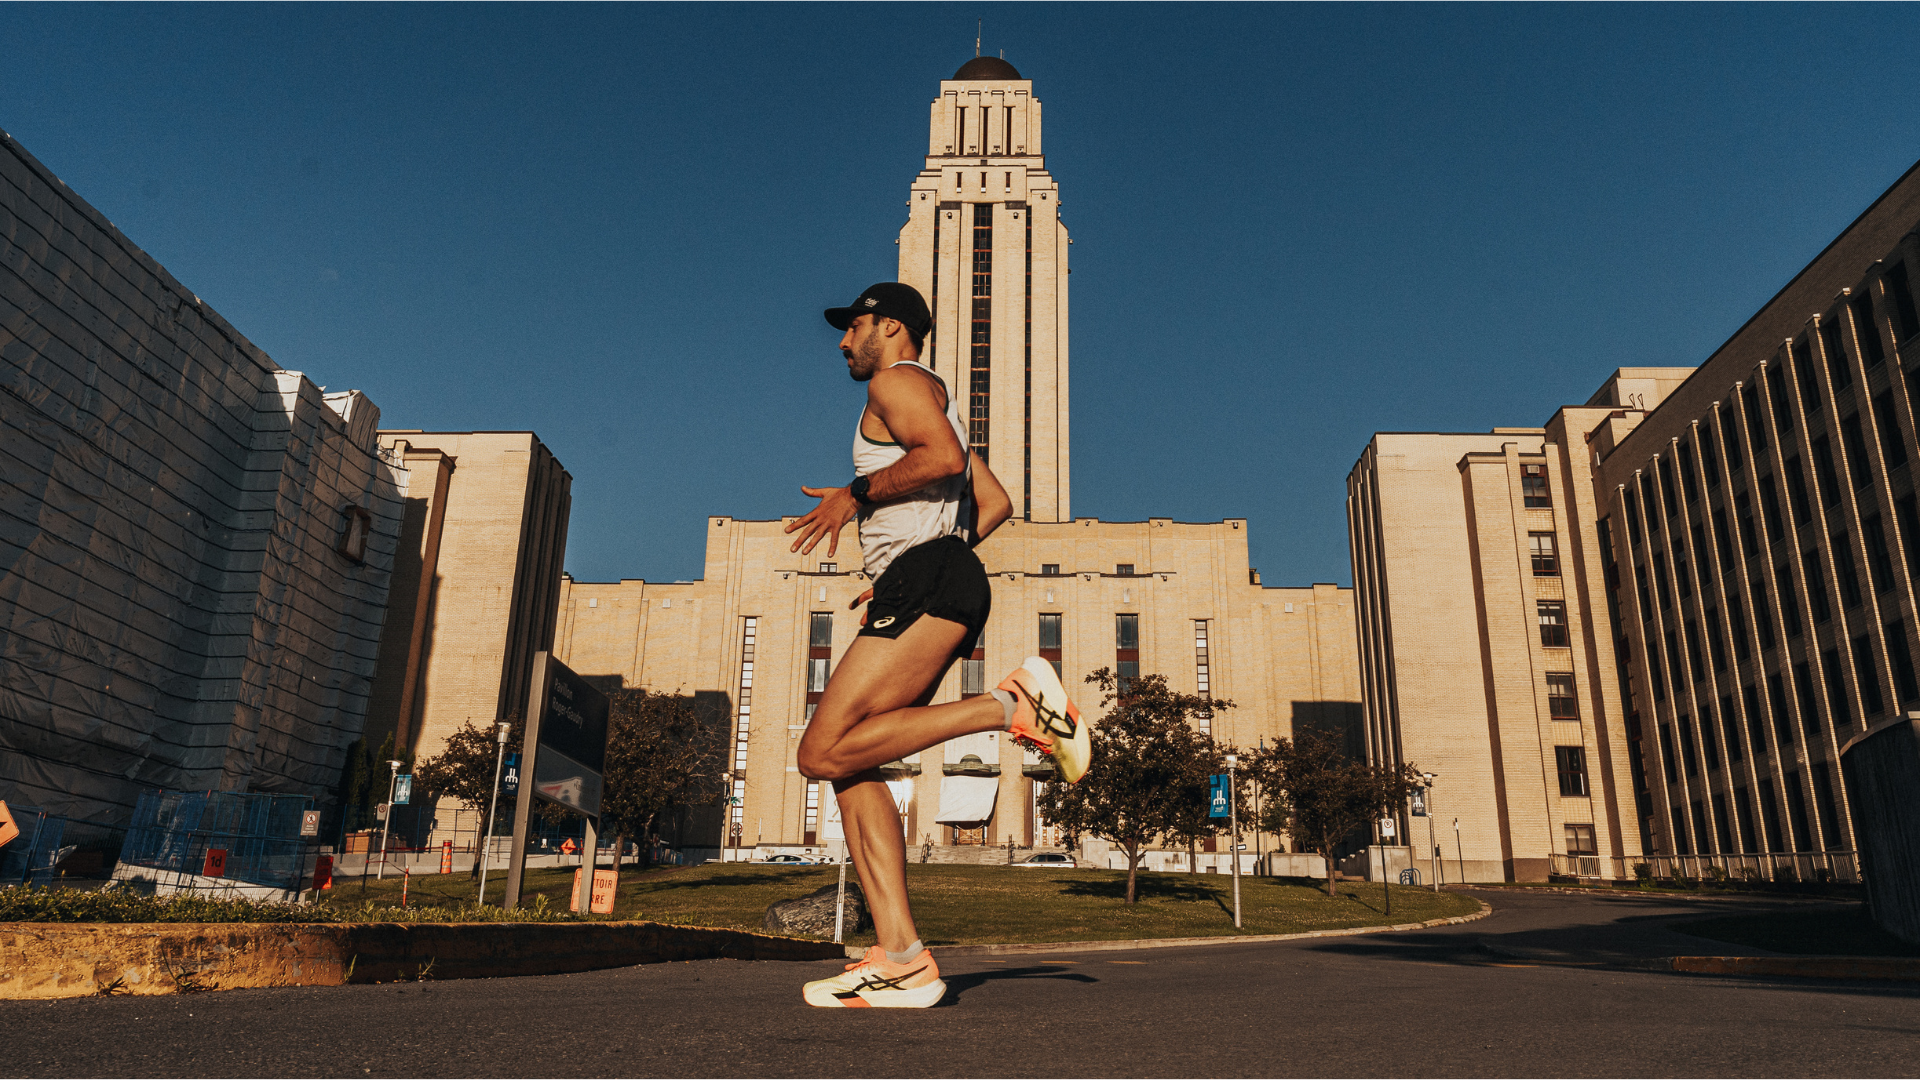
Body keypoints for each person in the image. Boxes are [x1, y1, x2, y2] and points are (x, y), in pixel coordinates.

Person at [785, 282, 1093, 1008]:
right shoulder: (931, 395)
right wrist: (915, 562)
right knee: (852, 767)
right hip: (929, 577)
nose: (841, 342)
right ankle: (902, 957)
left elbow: (944, 456)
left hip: (928, 579)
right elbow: (994, 502)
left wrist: (854, 497)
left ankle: (1007, 705)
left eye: (851, 326)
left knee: (819, 751)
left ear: (889, 326)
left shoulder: (898, 382)